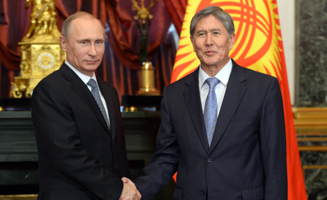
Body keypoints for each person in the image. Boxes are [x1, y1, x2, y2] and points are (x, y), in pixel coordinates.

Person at [126, 5, 287, 200]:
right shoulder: (174, 94)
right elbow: (167, 157)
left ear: (231, 39)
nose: (208, 42)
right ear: (193, 42)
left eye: (216, 33)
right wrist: (136, 190)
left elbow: (274, 163)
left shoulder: (263, 88)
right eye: (201, 34)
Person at [32, 11, 141, 200]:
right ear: (64, 43)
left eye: (98, 42)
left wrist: (125, 188)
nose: (93, 51)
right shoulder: (49, 89)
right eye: (84, 42)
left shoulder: (109, 91)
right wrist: (117, 189)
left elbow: (118, 152)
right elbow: (67, 154)